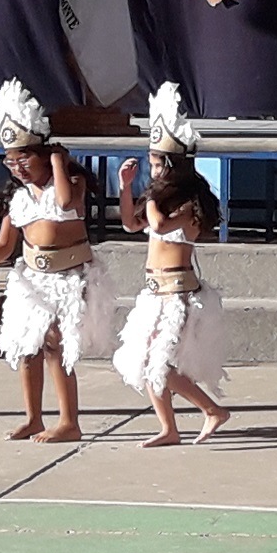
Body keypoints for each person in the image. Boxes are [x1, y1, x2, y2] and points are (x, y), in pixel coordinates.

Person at [0, 78, 117, 442]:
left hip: (69, 278)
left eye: (24, 158)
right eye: (10, 161)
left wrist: (60, 162)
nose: (17, 167)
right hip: (31, 279)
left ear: (45, 154)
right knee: (27, 346)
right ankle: (33, 417)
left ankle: (69, 422)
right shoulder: (16, 199)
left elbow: (64, 204)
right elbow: (5, 244)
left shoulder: (72, 184)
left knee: (54, 344)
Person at [112, 82, 231, 447]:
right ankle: (169, 427)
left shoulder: (188, 204)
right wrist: (126, 187)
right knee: (146, 361)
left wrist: (150, 195)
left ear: (171, 165)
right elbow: (131, 224)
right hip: (153, 292)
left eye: (156, 162)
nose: (153, 169)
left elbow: (160, 226)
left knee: (160, 363)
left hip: (179, 293)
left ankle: (212, 410)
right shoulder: (157, 201)